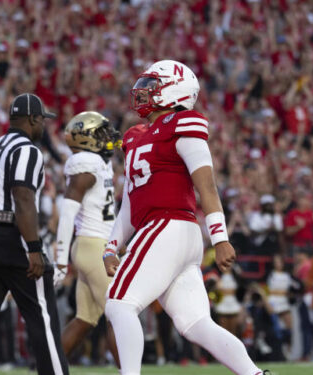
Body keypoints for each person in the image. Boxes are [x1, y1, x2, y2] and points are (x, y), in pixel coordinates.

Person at [102, 60, 269, 375]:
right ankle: (255, 374)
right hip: (166, 231)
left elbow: (206, 186)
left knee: (118, 303)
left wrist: (220, 238)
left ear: (174, 91)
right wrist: (111, 247)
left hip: (168, 226)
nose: (141, 93)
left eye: (151, 87)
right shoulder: (135, 136)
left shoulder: (184, 123)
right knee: (194, 323)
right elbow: (130, 202)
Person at [0, 93, 68, 375]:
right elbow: (22, 198)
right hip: (10, 236)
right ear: (32, 119)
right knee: (42, 321)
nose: (43, 127)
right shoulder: (27, 150)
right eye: (41, 121)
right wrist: (34, 248)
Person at [54, 111, 121, 362]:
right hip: (94, 247)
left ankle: (45, 368)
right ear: (86, 139)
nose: (108, 139)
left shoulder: (100, 163)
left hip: (93, 245)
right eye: (101, 135)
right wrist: (60, 259)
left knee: (85, 319)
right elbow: (67, 214)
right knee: (119, 313)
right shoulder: (85, 164)